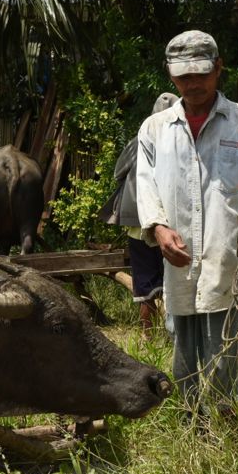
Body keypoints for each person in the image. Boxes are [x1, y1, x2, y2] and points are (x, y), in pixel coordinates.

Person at [135, 30, 238, 415]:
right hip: (178, 265)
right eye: (183, 76)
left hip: (231, 266)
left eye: (201, 74)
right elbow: (145, 188)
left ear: (219, 69)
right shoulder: (154, 129)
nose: (192, 83)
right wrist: (158, 228)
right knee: (182, 352)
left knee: (229, 353)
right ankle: (192, 427)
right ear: (170, 74)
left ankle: (230, 427)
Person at [100, 93, 178, 332]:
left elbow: (118, 172)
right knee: (173, 284)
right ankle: (174, 337)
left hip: (138, 224)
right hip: (171, 225)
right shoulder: (181, 140)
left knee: (145, 286)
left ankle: (148, 337)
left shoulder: (139, 138)